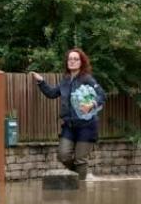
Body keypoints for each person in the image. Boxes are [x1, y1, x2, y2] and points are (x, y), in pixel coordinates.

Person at [31, 48, 105, 180]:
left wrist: (91, 105)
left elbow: (102, 95)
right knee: (63, 155)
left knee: (80, 160)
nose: (72, 61)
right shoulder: (65, 80)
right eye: (70, 59)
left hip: (87, 126)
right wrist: (41, 81)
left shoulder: (87, 79)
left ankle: (80, 193)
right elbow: (52, 93)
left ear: (81, 62)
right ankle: (81, 175)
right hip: (69, 126)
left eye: (75, 59)